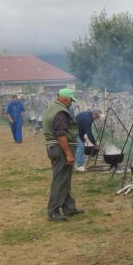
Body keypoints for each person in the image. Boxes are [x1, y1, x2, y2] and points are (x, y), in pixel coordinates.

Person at [42, 88, 85, 221]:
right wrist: (69, 154)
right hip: (60, 149)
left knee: (64, 179)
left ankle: (69, 208)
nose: (71, 103)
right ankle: (53, 211)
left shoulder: (52, 108)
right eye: (71, 100)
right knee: (60, 180)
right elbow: (61, 135)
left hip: (55, 148)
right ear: (65, 99)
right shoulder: (61, 112)